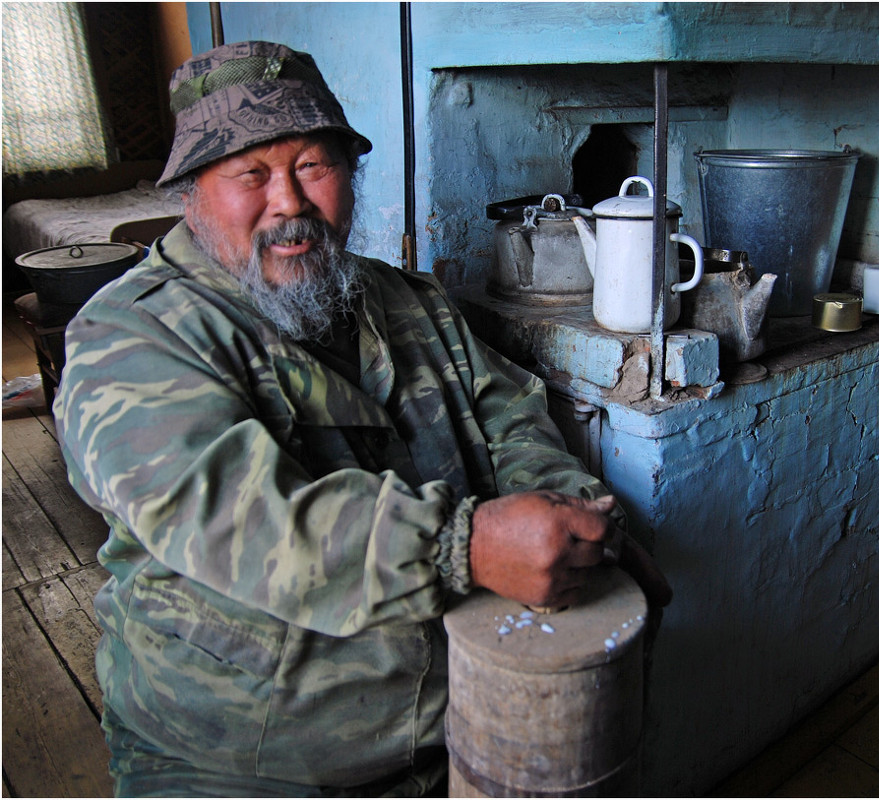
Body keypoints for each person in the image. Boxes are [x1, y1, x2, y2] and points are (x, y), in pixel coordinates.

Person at [54, 40, 670, 797]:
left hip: (460, 719)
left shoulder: (403, 300)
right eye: (251, 174)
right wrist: (461, 544)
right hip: (244, 762)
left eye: (315, 166)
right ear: (189, 193)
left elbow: (508, 413)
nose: (289, 204)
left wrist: (568, 518)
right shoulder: (129, 336)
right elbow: (239, 519)